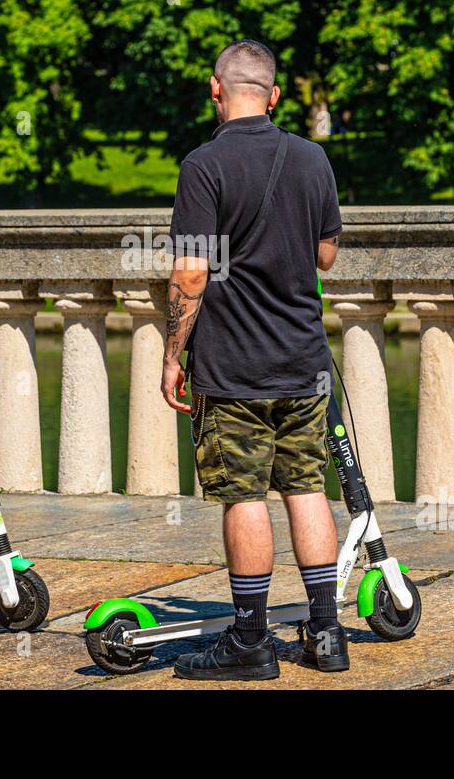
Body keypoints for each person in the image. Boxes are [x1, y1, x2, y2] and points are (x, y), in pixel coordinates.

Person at [162, 40, 344, 680]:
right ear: (272, 95)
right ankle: (326, 632)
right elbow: (326, 257)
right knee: (307, 488)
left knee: (244, 497)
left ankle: (249, 642)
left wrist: (170, 354)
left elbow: (190, 274)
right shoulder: (312, 158)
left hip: (234, 366)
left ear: (216, 90)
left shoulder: (204, 166)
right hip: (303, 358)